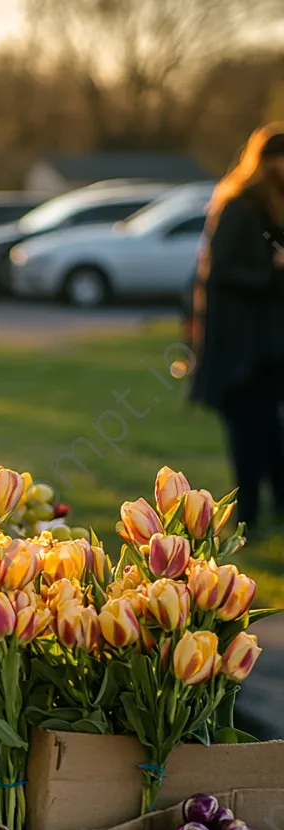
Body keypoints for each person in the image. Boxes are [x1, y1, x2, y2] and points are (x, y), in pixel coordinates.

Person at [191, 124, 284, 533]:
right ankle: (249, 510)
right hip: (241, 348)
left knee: (265, 430)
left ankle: (269, 506)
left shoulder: (269, 206)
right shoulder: (243, 206)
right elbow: (223, 272)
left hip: (265, 344)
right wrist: (271, 272)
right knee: (251, 431)